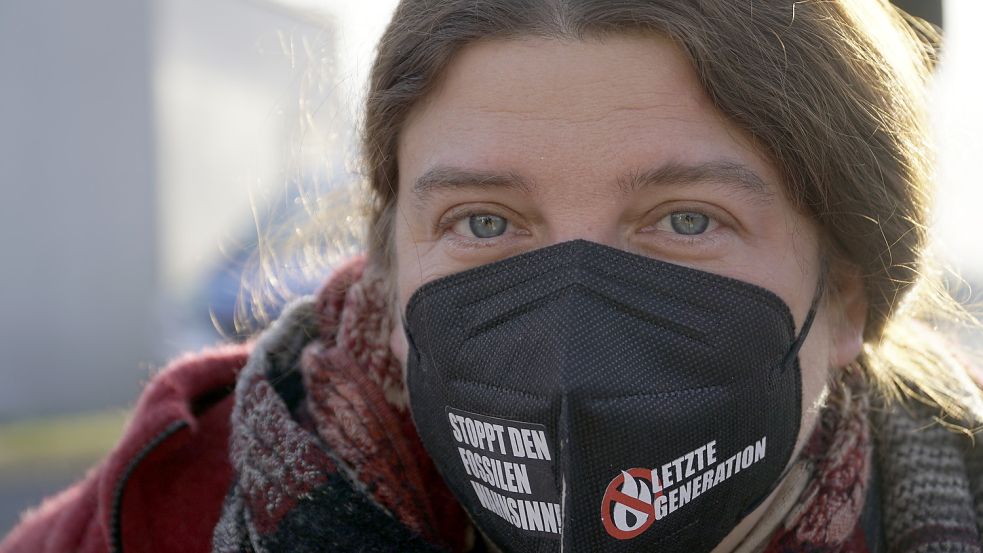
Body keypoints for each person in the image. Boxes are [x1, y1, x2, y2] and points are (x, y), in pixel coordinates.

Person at [3, 1, 981, 552]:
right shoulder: (149, 518)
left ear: (848, 292)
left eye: (687, 218)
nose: (572, 332)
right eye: (483, 221)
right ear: (389, 277)